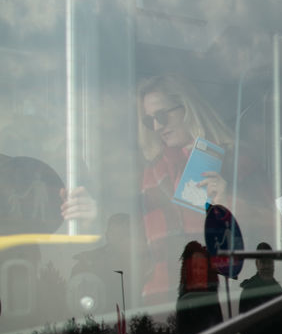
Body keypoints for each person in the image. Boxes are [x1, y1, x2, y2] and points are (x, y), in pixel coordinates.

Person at [61, 74, 240, 306]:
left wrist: (229, 205)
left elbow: (272, 238)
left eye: (162, 116)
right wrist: (97, 217)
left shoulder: (234, 161)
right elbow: (137, 247)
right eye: (149, 121)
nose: (157, 126)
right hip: (160, 305)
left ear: (188, 108)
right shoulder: (152, 175)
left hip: (218, 304)